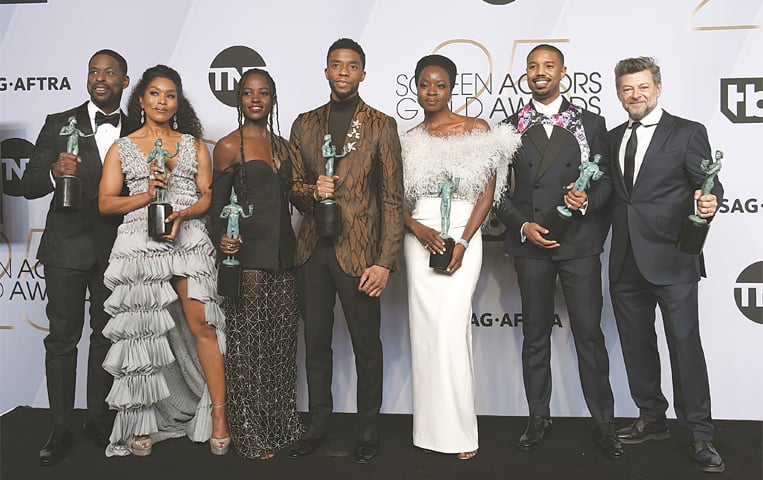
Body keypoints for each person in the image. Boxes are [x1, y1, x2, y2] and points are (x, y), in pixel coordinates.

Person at [495, 44, 622, 459]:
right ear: (525, 76)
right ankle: (538, 417)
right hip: (531, 246)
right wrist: (523, 225)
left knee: (589, 334)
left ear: (563, 73)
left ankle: (604, 423)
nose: (540, 72)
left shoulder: (590, 123)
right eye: (533, 67)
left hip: (579, 244)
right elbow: (497, 194)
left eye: (548, 66)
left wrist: (583, 201)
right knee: (535, 336)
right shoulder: (510, 127)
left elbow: (607, 186)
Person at [98, 64, 229, 457]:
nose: (162, 101)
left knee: (202, 323)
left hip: (187, 233)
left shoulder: (192, 144)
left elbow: (207, 195)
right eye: (154, 93)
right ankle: (140, 421)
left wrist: (183, 214)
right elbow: (106, 203)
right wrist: (147, 194)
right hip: (139, 236)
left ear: (178, 103)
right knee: (142, 331)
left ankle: (219, 416)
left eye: (169, 95)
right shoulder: (122, 147)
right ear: (140, 100)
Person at [287, 38, 404, 464]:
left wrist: (384, 261)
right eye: (336, 65)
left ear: (362, 74)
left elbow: (393, 199)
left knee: (366, 346)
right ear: (326, 71)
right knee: (316, 343)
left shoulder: (381, 125)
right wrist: (309, 191)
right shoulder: (305, 123)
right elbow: (294, 189)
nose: (343, 72)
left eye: (351, 66)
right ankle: (318, 425)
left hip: (360, 256)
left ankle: (368, 428)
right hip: (312, 252)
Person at [607, 56, 724, 473]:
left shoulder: (688, 132)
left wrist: (710, 202)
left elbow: (709, 181)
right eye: (626, 89)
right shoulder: (612, 136)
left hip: (673, 259)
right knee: (637, 347)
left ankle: (701, 435)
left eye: (642, 87)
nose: (634, 95)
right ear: (619, 93)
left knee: (685, 348)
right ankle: (652, 419)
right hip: (624, 261)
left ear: (658, 88)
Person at [402, 54, 520, 460]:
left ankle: (459, 433)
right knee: (425, 334)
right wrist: (417, 229)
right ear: (415, 87)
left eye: (440, 85)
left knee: (452, 331)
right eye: (424, 84)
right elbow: (392, 202)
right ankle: (429, 430)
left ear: (452, 89)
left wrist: (464, 242)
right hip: (420, 236)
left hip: (463, 236)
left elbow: (487, 194)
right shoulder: (409, 138)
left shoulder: (477, 130)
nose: (431, 92)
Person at [21, 49, 134, 466]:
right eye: (93, 72)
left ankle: (99, 418)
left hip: (115, 250)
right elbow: (28, 185)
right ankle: (61, 425)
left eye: (109, 73)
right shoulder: (58, 123)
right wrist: (53, 171)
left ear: (125, 80)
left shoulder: (139, 128)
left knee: (106, 338)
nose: (100, 78)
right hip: (66, 249)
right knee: (63, 339)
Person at [209, 68, 304, 460]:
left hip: (286, 257)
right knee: (248, 350)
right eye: (248, 92)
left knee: (281, 346)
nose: (255, 99)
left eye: (263, 93)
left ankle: (281, 424)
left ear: (273, 99)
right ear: (239, 99)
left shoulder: (283, 147)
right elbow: (216, 209)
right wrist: (222, 239)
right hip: (246, 260)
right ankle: (248, 433)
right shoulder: (229, 147)